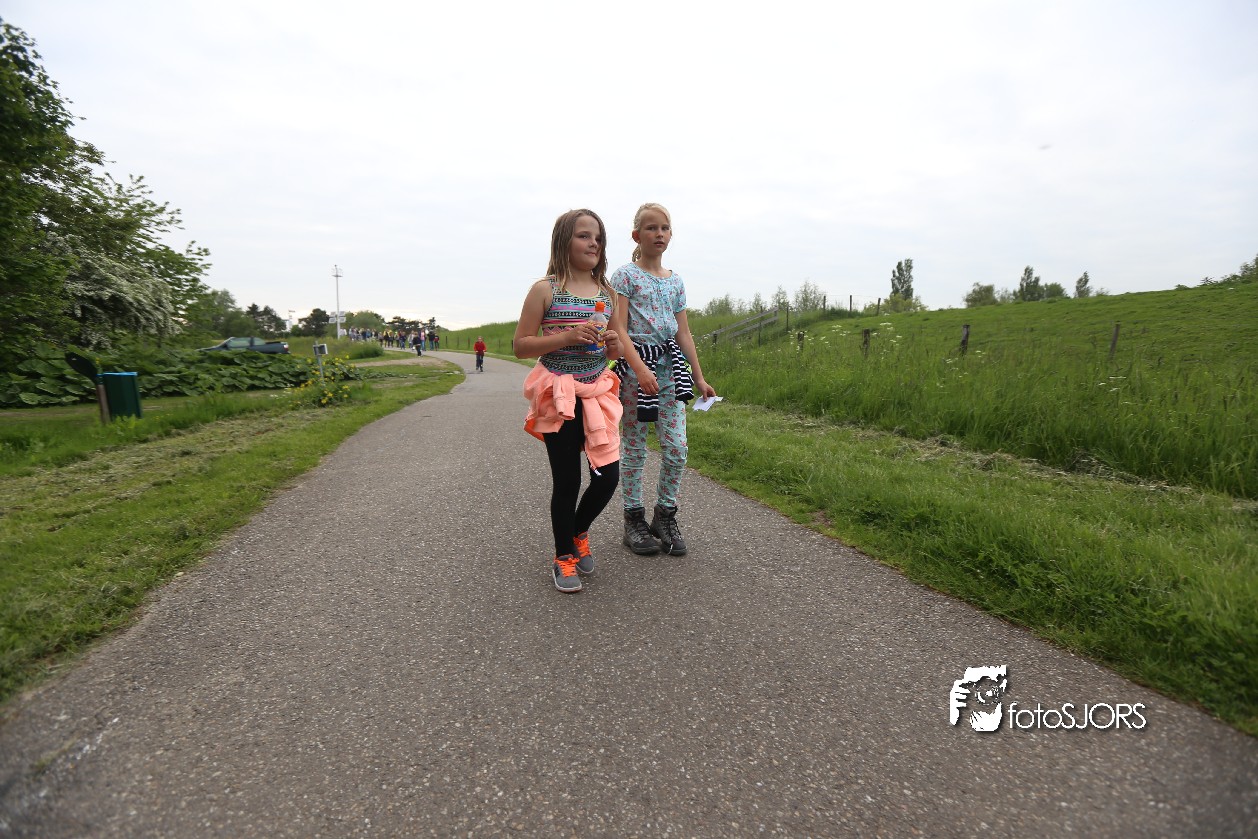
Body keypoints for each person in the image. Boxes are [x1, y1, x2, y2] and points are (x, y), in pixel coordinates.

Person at [515, 208, 623, 593]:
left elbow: (616, 348)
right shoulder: (545, 289)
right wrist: (566, 336)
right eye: (583, 235)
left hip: (595, 392)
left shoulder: (608, 293)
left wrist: (614, 344)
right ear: (564, 241)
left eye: (598, 237)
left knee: (608, 477)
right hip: (557, 392)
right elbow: (521, 346)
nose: (593, 243)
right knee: (568, 481)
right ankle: (563, 556)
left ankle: (578, 531)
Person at [609, 202, 716, 557]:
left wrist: (699, 377)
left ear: (671, 235)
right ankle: (633, 520)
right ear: (637, 235)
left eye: (665, 228)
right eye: (651, 228)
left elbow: (683, 332)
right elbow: (619, 327)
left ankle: (664, 516)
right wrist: (639, 369)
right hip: (636, 372)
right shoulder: (625, 276)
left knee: (677, 448)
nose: (659, 233)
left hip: (670, 372)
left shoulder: (676, 281)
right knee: (635, 448)